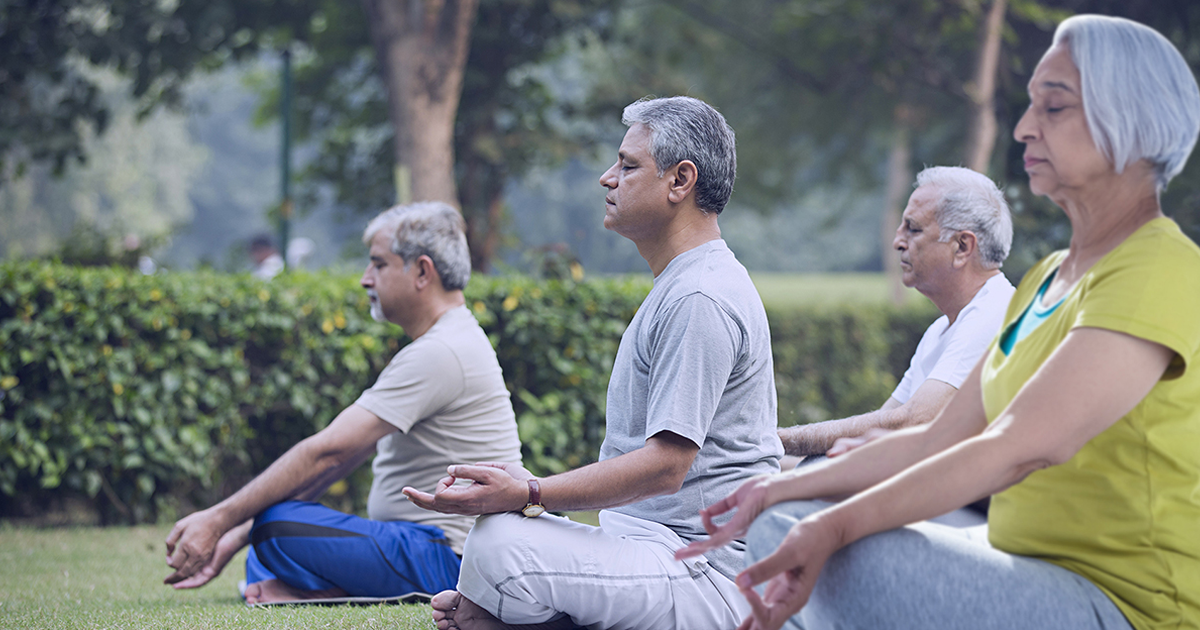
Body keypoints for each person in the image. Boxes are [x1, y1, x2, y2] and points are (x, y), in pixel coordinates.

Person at [678, 15, 1200, 630]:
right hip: (1021, 561)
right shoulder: (1048, 277)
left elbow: (1018, 449)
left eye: (1053, 107)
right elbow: (938, 438)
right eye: (1029, 105)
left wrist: (833, 520)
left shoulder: (1159, 270)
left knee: (831, 539)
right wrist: (776, 489)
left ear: (1131, 122)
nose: (1024, 128)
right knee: (788, 515)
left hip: (1124, 605)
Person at [405, 96, 783, 630]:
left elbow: (666, 466)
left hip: (706, 574)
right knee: (504, 537)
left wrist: (531, 491)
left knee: (502, 540)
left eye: (628, 166)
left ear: (681, 181)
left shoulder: (701, 296)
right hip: (650, 549)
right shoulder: (684, 283)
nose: (608, 179)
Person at [163, 202, 522, 604]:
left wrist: (215, 520)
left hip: (448, 557)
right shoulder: (446, 340)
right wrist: (233, 536)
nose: (365, 279)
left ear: (422, 271)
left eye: (378, 265)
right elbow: (343, 458)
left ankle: (325, 590)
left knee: (277, 528)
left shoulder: (442, 350)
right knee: (268, 534)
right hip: (427, 547)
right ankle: (310, 585)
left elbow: (328, 452)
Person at [780, 166, 1015, 459]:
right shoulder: (940, 330)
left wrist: (780, 440)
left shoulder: (995, 313)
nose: (897, 242)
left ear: (962, 246)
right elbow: (876, 433)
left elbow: (912, 421)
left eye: (913, 229)